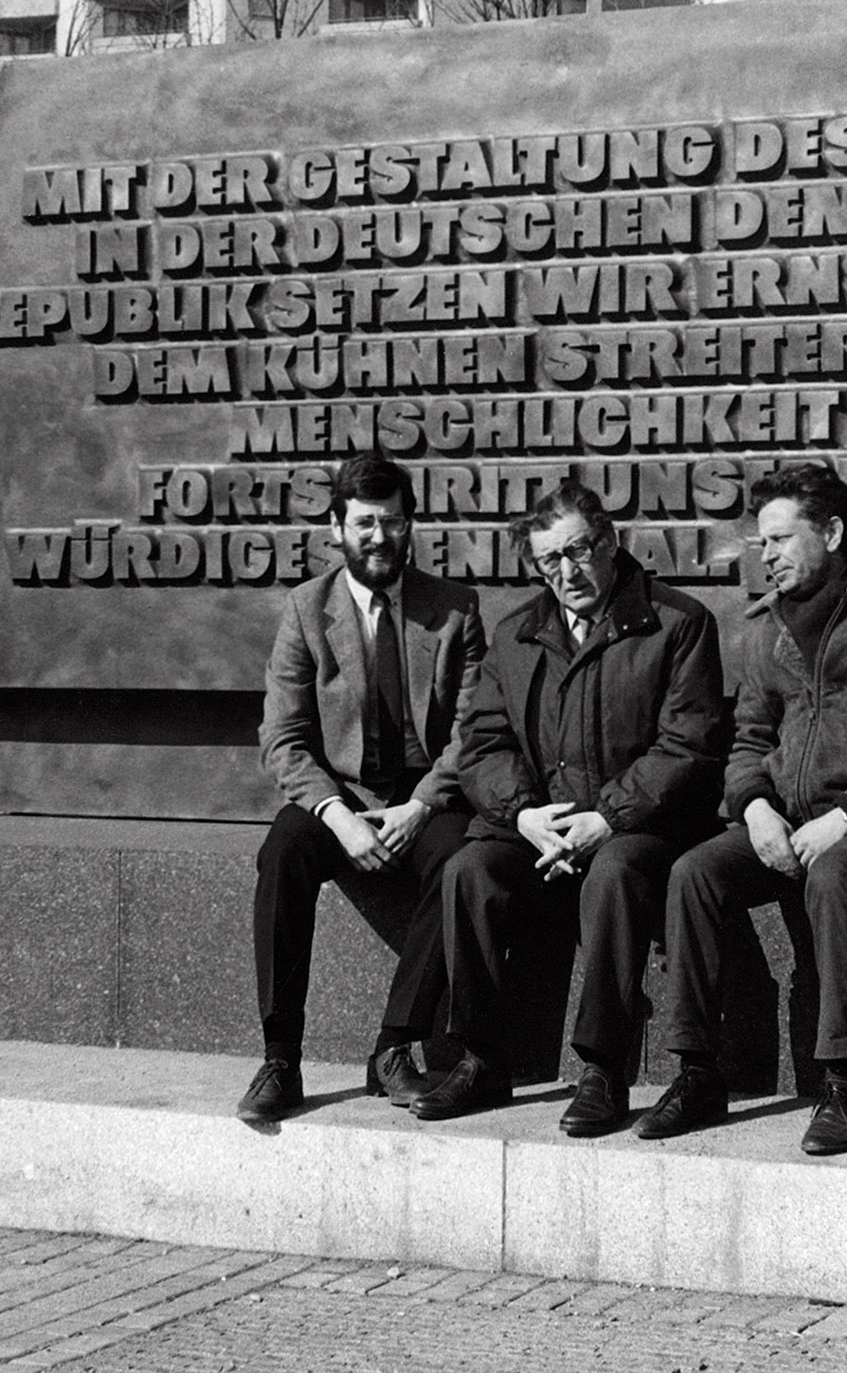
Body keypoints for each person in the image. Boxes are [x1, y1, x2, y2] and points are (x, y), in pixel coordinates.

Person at [640, 463, 847, 1156]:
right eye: (763, 543)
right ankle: (698, 1071)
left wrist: (846, 813)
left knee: (834, 876)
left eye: (782, 539)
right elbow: (749, 739)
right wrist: (755, 807)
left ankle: (844, 1084)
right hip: (786, 822)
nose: (769, 555)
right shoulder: (764, 629)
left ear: (833, 531)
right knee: (694, 873)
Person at [410, 480, 725, 1135]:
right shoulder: (517, 632)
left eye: (578, 551)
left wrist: (604, 817)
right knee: (469, 871)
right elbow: (479, 743)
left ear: (610, 543)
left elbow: (687, 744)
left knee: (615, 873)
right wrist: (525, 813)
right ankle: (481, 1059)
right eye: (548, 560)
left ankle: (602, 1071)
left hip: (639, 825)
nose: (566, 571)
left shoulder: (678, 622)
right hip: (540, 825)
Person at [238, 454, 486, 1121]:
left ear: (411, 527)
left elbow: (473, 730)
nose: (381, 537)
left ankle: (394, 1044)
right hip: (335, 794)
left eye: (395, 522)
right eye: (366, 523)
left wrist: (422, 804)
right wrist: (338, 816)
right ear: (337, 526)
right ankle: (279, 1058)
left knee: (466, 863)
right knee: (282, 854)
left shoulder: (456, 610)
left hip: (423, 793)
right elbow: (283, 736)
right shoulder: (306, 609)